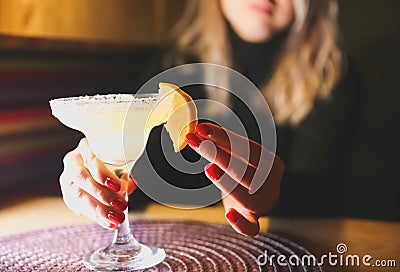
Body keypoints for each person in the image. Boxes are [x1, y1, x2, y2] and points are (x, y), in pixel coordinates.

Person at [59, 0, 364, 237]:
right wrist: (94, 179)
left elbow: (323, 193)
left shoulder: (335, 77)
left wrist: (275, 194)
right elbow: (142, 177)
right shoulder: (173, 66)